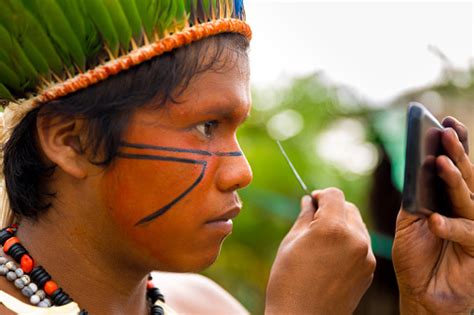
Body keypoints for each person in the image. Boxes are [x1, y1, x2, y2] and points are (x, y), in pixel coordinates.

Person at [0, 1, 472, 314]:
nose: (241, 170)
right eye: (207, 126)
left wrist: (430, 307)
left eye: (235, 130)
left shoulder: (207, 306)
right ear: (71, 140)